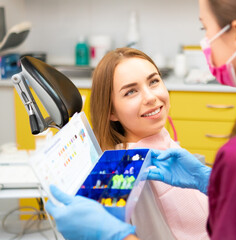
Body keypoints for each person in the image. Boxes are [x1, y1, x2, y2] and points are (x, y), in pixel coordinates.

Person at [46, 0, 236, 239]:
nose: (205, 42)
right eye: (130, 92)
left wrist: (114, 236)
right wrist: (215, 183)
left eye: (206, 29)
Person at [46, 48, 209, 240]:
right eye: (131, 92)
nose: (150, 97)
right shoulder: (125, 167)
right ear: (111, 112)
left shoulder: (163, 144)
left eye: (154, 81)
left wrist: (212, 182)